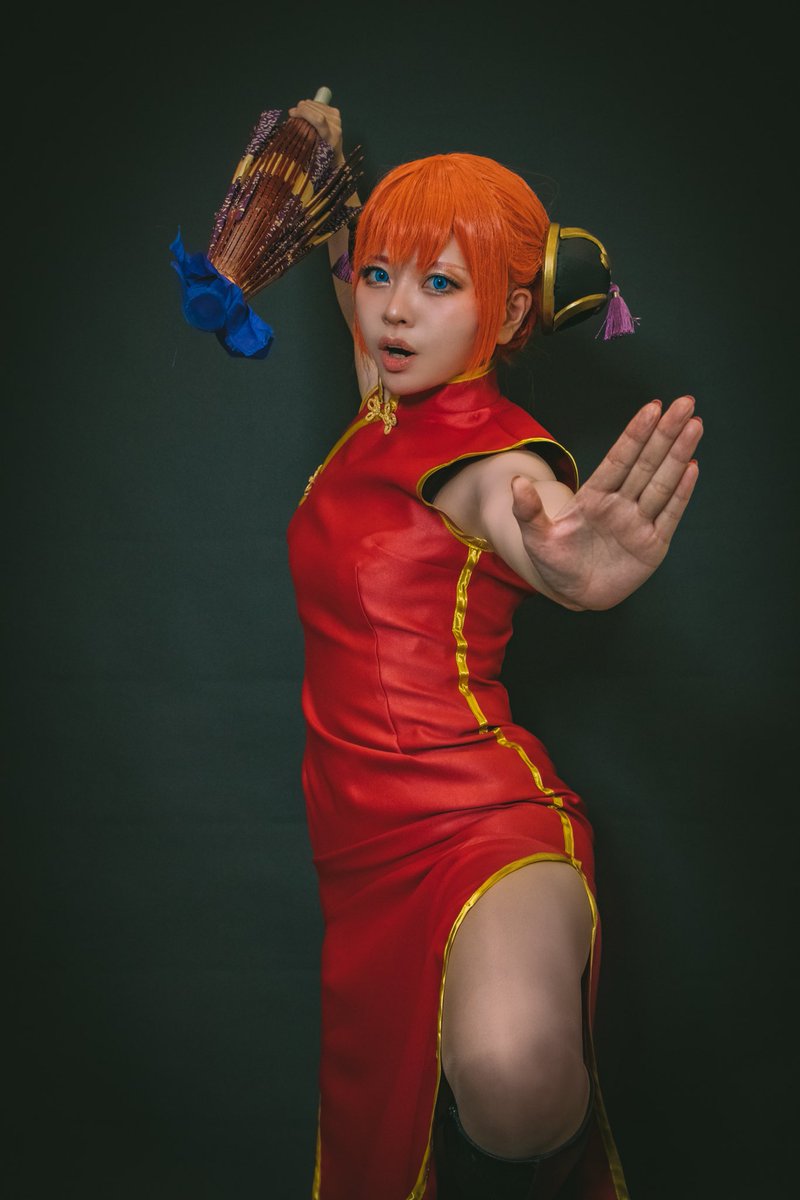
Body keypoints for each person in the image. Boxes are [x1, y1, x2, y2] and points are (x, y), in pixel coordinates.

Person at [285, 98, 702, 1200]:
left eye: (439, 283)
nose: (393, 309)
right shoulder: (383, 395)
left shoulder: (492, 457)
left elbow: (525, 513)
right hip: (357, 847)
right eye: (382, 277)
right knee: (388, 1128)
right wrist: (319, 158)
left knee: (513, 1082)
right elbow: (345, 258)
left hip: (476, 820)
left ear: (510, 309)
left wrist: (568, 565)